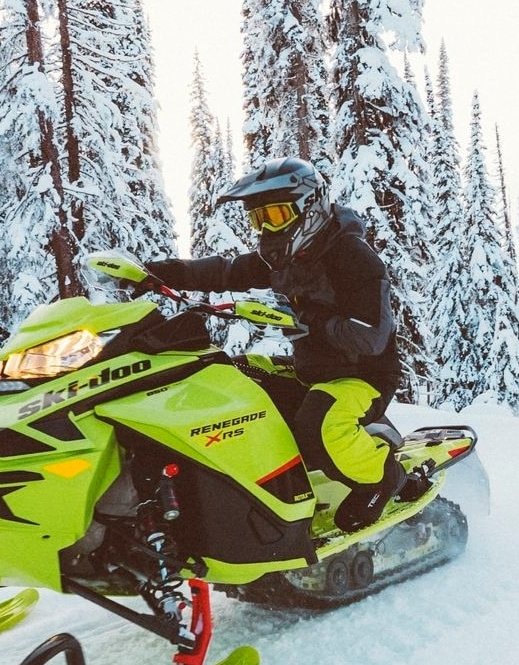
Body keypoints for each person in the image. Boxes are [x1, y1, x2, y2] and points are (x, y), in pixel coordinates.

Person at [144, 157, 411, 533]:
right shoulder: (286, 258)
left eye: (277, 215)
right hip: (311, 370)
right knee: (228, 374)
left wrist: (303, 318)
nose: (268, 228)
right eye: (259, 219)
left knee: (320, 423)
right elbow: (226, 271)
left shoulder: (354, 258)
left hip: (363, 376)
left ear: (310, 206)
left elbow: (370, 336)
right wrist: (159, 271)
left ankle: (382, 478)